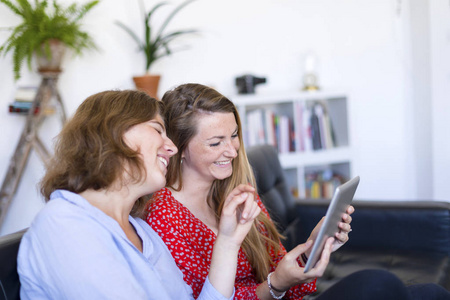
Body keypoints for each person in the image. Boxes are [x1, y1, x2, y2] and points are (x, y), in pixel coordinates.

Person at [146, 83, 450, 300]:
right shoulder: (165, 218)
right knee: (377, 284)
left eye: (235, 136)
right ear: (179, 149)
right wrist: (275, 285)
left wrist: (314, 245)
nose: (232, 150)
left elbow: (285, 275)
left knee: (432, 293)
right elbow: (210, 297)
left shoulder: (238, 193)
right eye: (216, 142)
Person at [17, 90, 261, 299]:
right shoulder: (64, 224)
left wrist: (229, 242)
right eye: (157, 129)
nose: (172, 148)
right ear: (114, 132)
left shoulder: (142, 233)